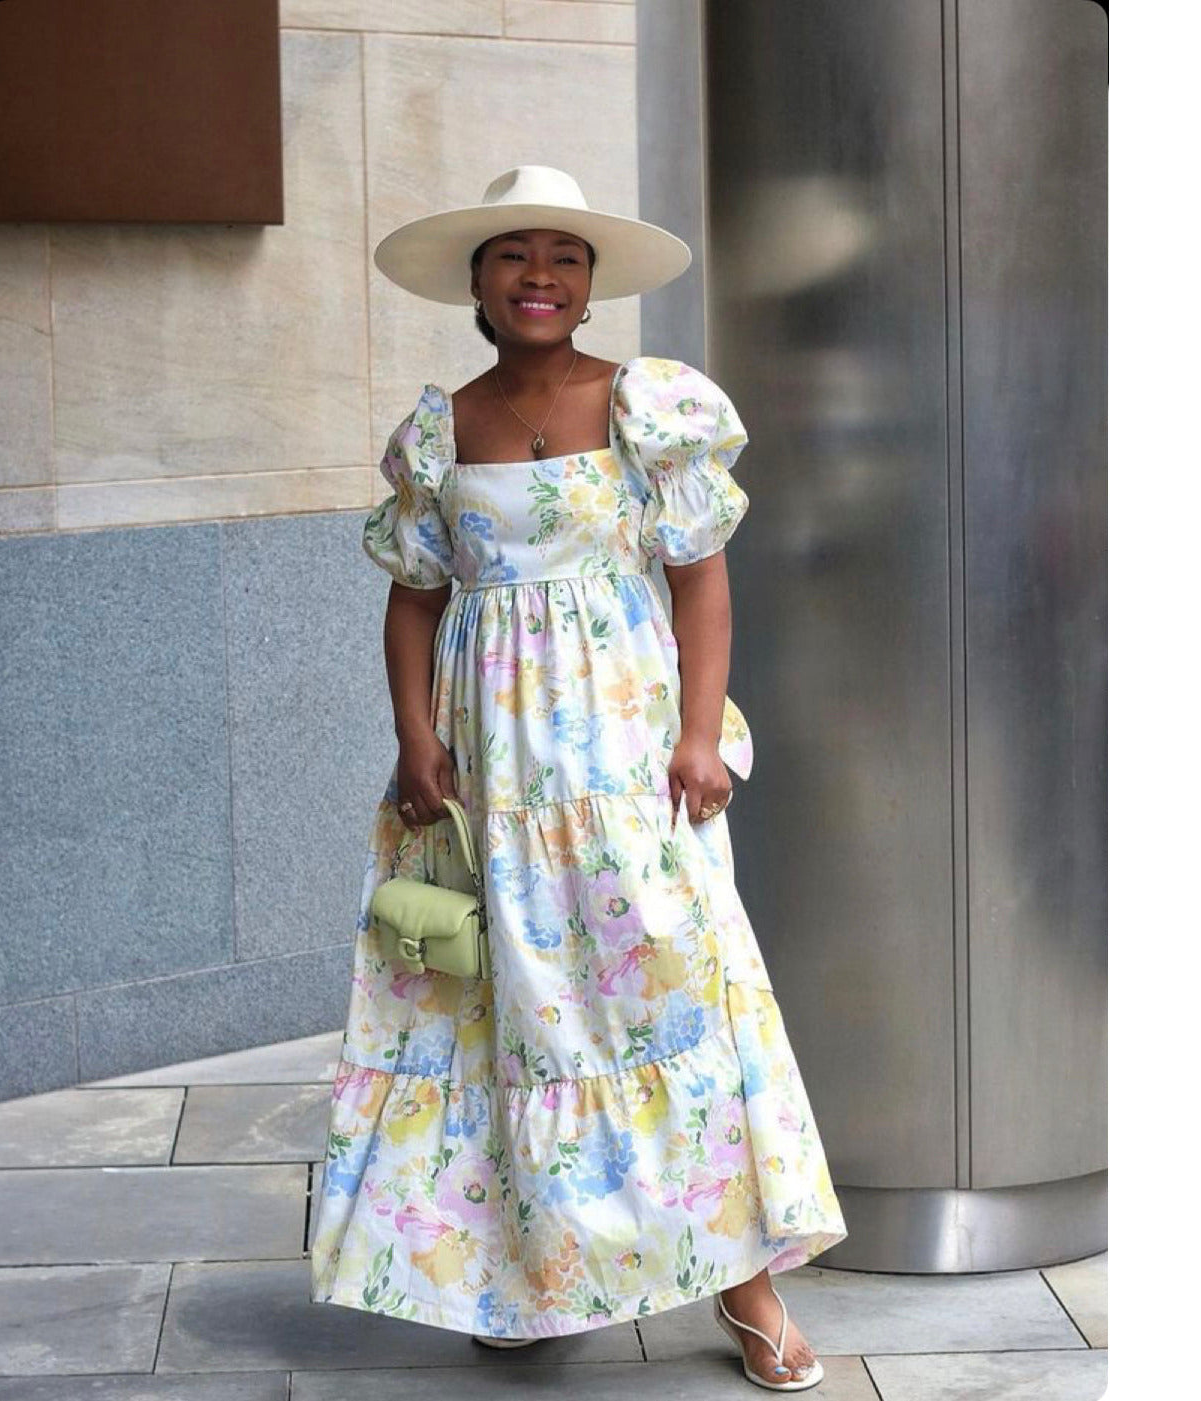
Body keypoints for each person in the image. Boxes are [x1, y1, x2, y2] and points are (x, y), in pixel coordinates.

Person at [307, 166, 847, 1391]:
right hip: (491, 768)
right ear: (480, 288)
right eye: (513, 256)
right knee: (518, 1020)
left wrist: (699, 736)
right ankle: (533, 1277)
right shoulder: (441, 431)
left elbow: (701, 576)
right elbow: (414, 598)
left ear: (590, 285)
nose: (539, 274)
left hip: (626, 759)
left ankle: (746, 1292)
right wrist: (412, 737)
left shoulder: (651, 405)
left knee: (669, 1001)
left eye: (564, 255)